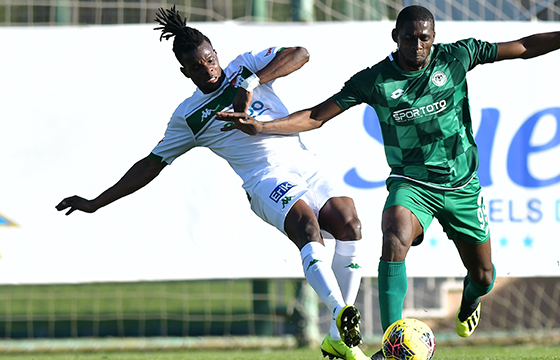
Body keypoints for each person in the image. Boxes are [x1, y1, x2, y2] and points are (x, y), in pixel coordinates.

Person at [216, 4, 560, 358]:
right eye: (410, 37)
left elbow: (524, 47)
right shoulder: (376, 80)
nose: (418, 46)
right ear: (395, 36)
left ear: (434, 38)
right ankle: (391, 342)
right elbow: (316, 116)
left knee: (484, 276)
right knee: (394, 230)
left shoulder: (456, 57)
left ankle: (472, 299)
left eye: (425, 38)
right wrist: (263, 128)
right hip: (412, 184)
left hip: (463, 185)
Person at [55, 6, 370, 360]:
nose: (207, 70)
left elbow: (300, 54)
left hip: (305, 165)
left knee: (350, 224)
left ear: (216, 54)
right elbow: (150, 164)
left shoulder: (245, 66)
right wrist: (97, 201)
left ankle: (337, 336)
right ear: (183, 72)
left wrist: (252, 82)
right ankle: (341, 313)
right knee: (308, 228)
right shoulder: (189, 116)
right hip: (265, 181)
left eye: (209, 60)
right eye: (197, 67)